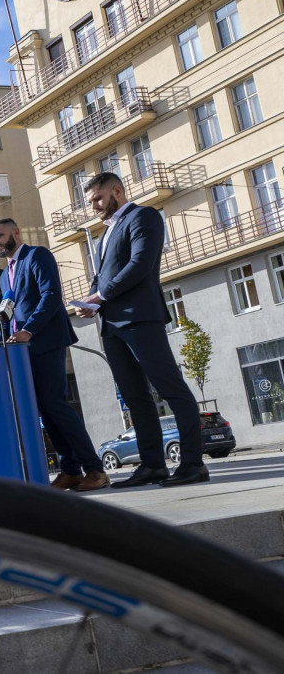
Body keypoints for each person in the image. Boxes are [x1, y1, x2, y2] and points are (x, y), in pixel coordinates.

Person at [76, 172, 208, 487]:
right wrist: (92, 302)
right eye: (90, 201)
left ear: (117, 191)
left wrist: (100, 295)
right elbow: (102, 279)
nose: (93, 206)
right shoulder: (103, 234)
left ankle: (193, 464)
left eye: (97, 198)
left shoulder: (143, 216)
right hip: (110, 324)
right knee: (135, 397)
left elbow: (140, 264)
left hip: (141, 319)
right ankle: (152, 466)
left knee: (171, 389)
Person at [0, 218, 109, 492]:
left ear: (16, 233)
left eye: (0, 235)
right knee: (45, 408)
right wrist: (0, 337)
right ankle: (71, 470)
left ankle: (95, 470)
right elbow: (11, 310)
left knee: (55, 404)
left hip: (46, 341)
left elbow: (51, 295)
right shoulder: (6, 271)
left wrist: (29, 330)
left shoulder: (37, 255)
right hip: (23, 349)